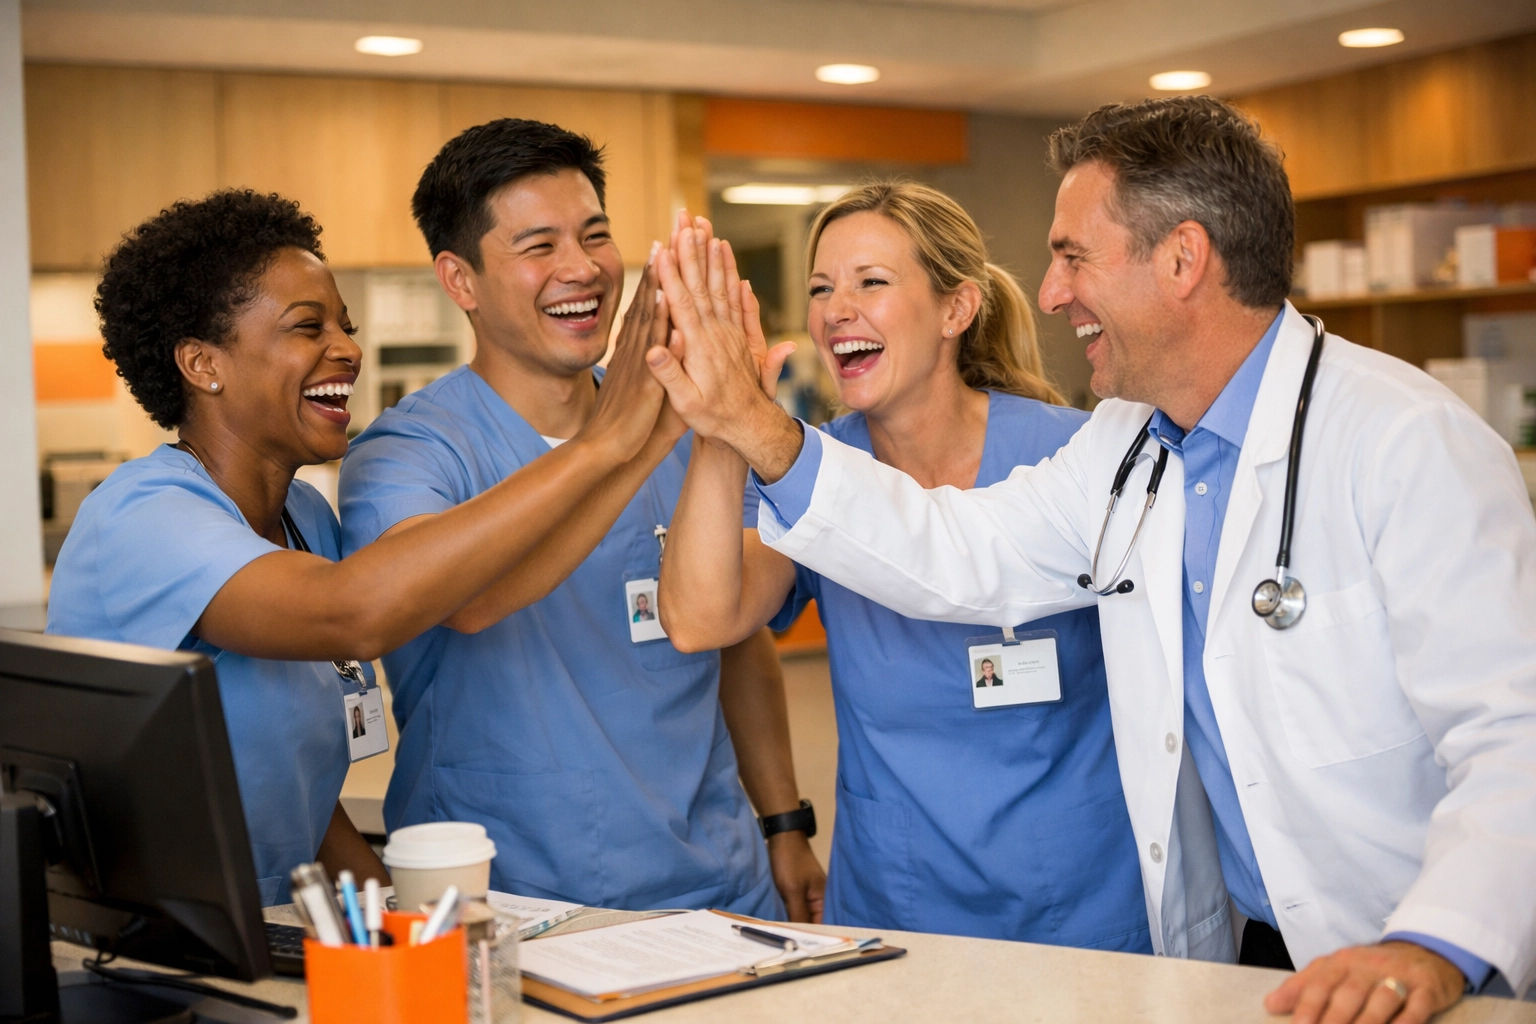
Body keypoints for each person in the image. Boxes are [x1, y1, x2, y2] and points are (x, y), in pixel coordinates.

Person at [645, 96, 1536, 1021]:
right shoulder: (1127, 448)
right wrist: (750, 425)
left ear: (1183, 260)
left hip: (1417, 953)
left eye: (1073, 255)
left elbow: (1516, 735)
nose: (1052, 289)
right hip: (1252, 950)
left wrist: (1436, 942)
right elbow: (959, 550)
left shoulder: (1405, 440)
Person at [48, 187, 671, 904]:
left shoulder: (307, 517)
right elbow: (354, 613)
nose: (347, 349)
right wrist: (603, 445)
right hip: (143, 932)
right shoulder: (143, 515)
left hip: (274, 922)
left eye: (343, 325)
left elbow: (301, 801)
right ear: (202, 364)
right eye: (306, 327)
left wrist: (398, 924)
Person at [338, 119, 823, 920]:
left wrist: (783, 820)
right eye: (538, 246)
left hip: (721, 886)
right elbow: (461, 600)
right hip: (514, 904)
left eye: (594, 235)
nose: (582, 268)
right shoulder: (410, 453)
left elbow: (739, 642)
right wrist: (612, 443)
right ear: (459, 280)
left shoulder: (684, 422)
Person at [658, 183, 1149, 950]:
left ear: (957, 309)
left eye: (870, 282)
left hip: (1081, 895)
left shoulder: (1072, 456)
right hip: (898, 894)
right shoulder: (814, 467)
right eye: (821, 288)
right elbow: (698, 620)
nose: (835, 308)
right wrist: (725, 423)